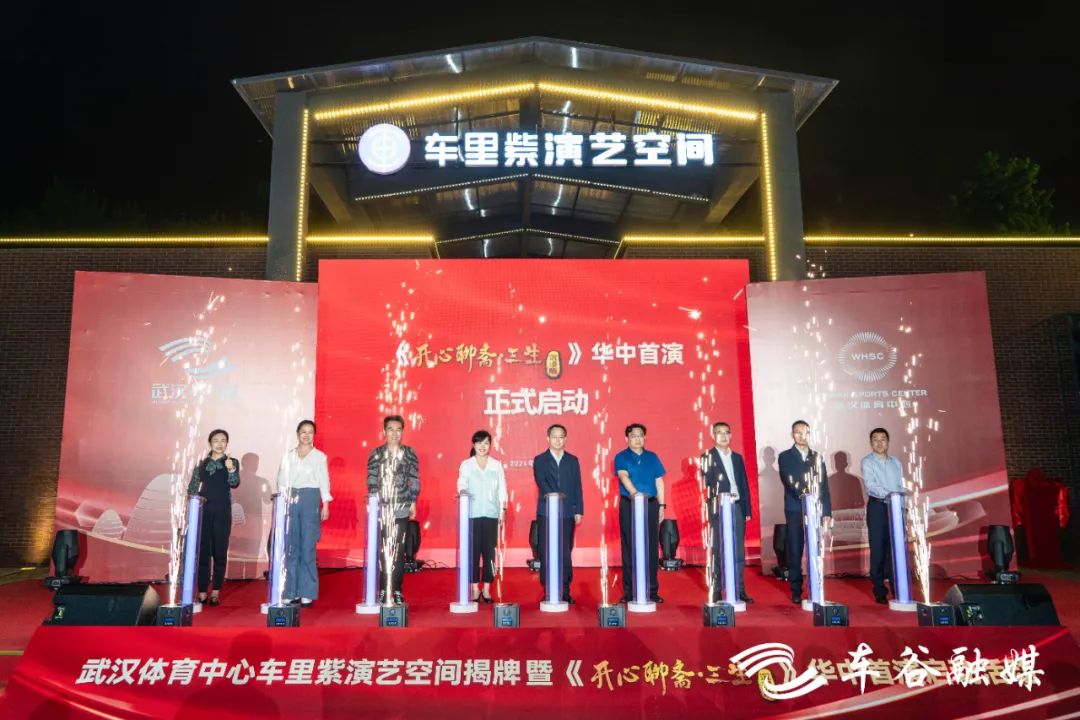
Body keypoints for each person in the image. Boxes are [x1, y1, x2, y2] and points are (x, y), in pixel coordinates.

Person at [275, 420, 332, 607]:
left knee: (308, 545)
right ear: (297, 434)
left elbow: (324, 481)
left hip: (310, 499)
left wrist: (325, 505)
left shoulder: (319, 457)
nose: (306, 435)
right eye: (303, 432)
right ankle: (290, 591)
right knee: (291, 547)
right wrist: (283, 502)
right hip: (291, 499)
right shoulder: (288, 456)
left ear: (314, 435)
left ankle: (307, 591)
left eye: (310, 432)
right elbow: (281, 481)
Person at [777, 420, 832, 605]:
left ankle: (815, 588)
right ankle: (796, 590)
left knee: (815, 550)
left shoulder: (817, 457)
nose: (801, 436)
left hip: (815, 510)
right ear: (792, 434)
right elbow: (788, 480)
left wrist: (826, 511)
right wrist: (805, 494)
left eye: (805, 432)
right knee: (795, 550)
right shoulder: (785, 456)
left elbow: (824, 486)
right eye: (797, 432)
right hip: (795, 509)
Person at [366, 415, 420, 605]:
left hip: (402, 508)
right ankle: (383, 589)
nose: (394, 433)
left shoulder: (410, 453)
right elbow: (372, 481)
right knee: (383, 551)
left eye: (398, 429)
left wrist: (413, 502)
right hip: (382, 510)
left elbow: (413, 479)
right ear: (384, 431)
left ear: (402, 432)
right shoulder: (376, 454)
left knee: (398, 551)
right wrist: (375, 504)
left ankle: (396, 589)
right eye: (390, 429)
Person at [700, 421, 753, 604]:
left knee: (738, 551)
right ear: (713, 435)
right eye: (719, 432)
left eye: (726, 432)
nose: (723, 436)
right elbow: (707, 484)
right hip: (718, 507)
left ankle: (739, 589)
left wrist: (746, 509)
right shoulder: (707, 456)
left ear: (731, 435)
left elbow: (743, 484)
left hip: (736, 506)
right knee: (718, 549)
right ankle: (716, 589)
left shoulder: (737, 458)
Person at [187, 428, 240, 607]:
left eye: (223, 440)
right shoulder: (201, 464)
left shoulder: (232, 462)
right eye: (216, 440)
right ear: (210, 443)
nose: (219, 444)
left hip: (223, 511)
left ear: (227, 443)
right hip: (204, 511)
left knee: (220, 551)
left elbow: (234, 483)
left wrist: (231, 469)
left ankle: (216, 591)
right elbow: (192, 488)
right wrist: (194, 500)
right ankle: (202, 591)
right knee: (203, 551)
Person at [614, 423, 666, 604]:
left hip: (650, 504)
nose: (637, 439)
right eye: (633, 436)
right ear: (627, 438)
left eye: (640, 436)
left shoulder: (652, 457)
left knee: (651, 546)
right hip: (630, 504)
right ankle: (630, 591)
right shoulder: (621, 456)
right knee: (630, 546)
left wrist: (662, 505)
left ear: (645, 437)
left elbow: (659, 482)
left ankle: (652, 590)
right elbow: (623, 476)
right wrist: (636, 495)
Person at [533, 423, 583, 603]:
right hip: (546, 512)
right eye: (554, 437)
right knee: (546, 551)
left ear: (565, 439)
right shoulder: (540, 460)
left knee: (565, 552)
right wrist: (554, 498)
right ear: (548, 439)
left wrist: (579, 510)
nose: (557, 440)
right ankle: (548, 590)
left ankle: (565, 590)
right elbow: (542, 482)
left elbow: (577, 486)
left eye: (561, 437)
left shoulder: (572, 460)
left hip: (567, 513)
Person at [456, 430, 507, 603]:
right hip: (472, 514)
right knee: (473, 552)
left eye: (486, 443)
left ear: (490, 445)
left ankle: (486, 588)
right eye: (479, 443)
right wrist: (463, 491)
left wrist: (503, 509)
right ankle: (475, 588)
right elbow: (461, 483)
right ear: (474, 444)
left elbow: (502, 489)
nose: (482, 446)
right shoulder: (466, 465)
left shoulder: (496, 465)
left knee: (489, 553)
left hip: (491, 514)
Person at [860, 427, 906, 604]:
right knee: (878, 550)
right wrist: (892, 495)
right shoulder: (868, 462)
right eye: (875, 439)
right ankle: (879, 590)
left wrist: (902, 506)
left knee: (896, 549)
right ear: (871, 443)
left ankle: (898, 588)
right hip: (878, 508)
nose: (879, 443)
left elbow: (900, 485)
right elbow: (871, 486)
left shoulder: (896, 463)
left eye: (883, 439)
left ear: (888, 442)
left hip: (896, 508)